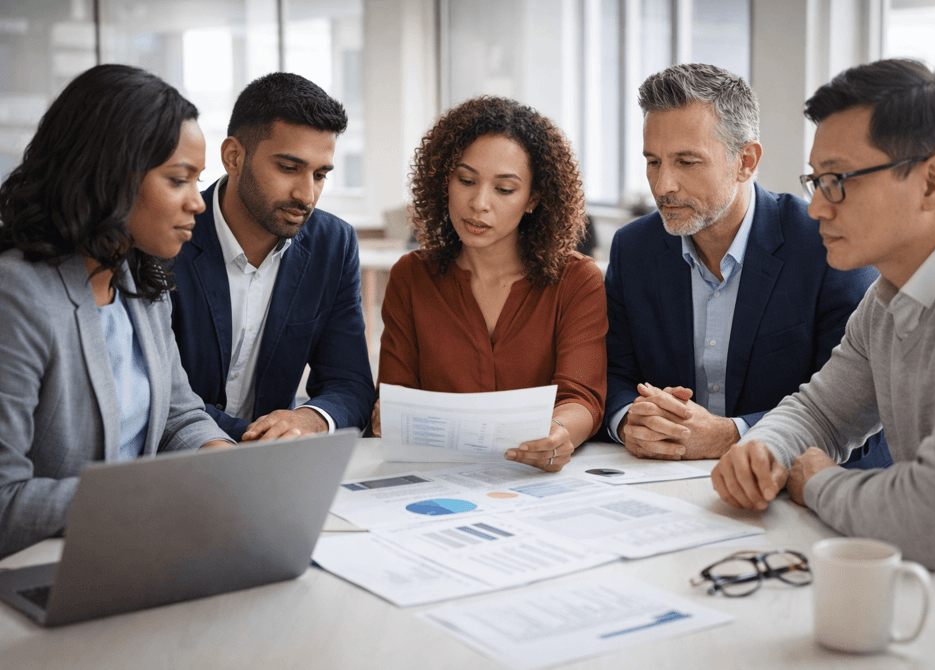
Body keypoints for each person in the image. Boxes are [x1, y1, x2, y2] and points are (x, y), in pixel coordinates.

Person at [710, 59, 935, 667]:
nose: (816, 209)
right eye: (814, 181)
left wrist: (817, 481)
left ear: (934, 182)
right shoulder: (888, 297)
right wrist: (766, 449)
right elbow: (820, 409)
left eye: (838, 180)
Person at [603, 63, 889, 469]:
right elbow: (613, 373)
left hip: (793, 489)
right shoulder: (634, 249)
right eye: (653, 161)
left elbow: (858, 415)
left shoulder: (827, 246)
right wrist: (629, 418)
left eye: (686, 162)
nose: (663, 185)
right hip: (664, 481)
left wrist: (732, 434)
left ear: (746, 161)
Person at [0, 64, 232, 559]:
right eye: (178, 180)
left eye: (199, 181)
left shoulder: (139, 278)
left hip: (137, 545)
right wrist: (151, 495)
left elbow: (178, 415)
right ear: (109, 175)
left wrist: (225, 468)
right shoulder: (16, 294)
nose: (198, 203)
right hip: (50, 567)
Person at [372, 96, 606, 472]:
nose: (478, 203)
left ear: (533, 199)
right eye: (466, 180)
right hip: (435, 478)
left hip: (536, 479)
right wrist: (387, 415)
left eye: (504, 189)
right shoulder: (411, 277)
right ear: (443, 181)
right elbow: (394, 399)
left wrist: (559, 434)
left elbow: (581, 397)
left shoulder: (577, 280)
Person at [170, 73, 374, 442]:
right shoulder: (171, 236)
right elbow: (163, 397)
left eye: (320, 174)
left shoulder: (333, 243)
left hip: (275, 461)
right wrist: (267, 439)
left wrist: (309, 420)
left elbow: (350, 382)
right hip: (176, 461)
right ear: (234, 157)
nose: (306, 195)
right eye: (289, 168)